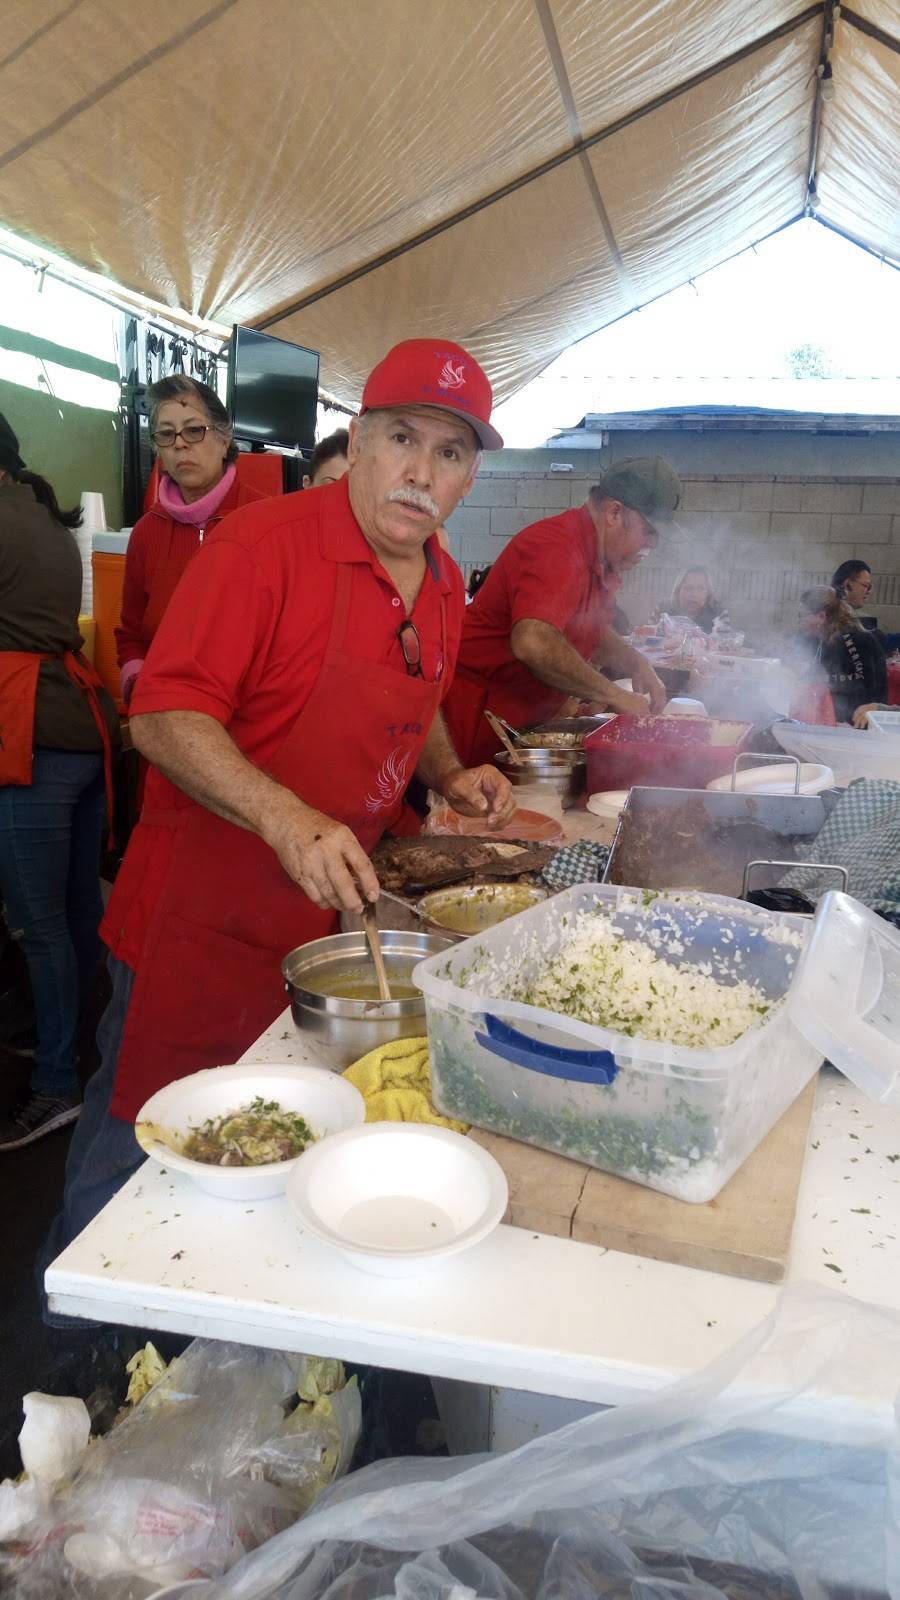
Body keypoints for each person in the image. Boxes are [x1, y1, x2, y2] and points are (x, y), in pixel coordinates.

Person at [43, 337, 515, 1262]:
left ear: (469, 478)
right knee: (139, 1149)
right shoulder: (262, 549)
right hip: (198, 925)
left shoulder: (448, 583)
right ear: (360, 438)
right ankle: (64, 1360)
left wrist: (449, 774)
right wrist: (286, 816)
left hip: (322, 933)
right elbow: (164, 716)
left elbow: (412, 697)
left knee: (268, 1165)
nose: (420, 472)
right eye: (402, 439)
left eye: (450, 453)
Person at [0, 413, 120, 1150]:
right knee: (75, 918)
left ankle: (54, 1086)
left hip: (30, 736)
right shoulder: (38, 514)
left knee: (37, 927)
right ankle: (71, 1049)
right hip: (76, 727)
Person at [442, 458, 682, 767]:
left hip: (515, 721)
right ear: (614, 513)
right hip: (471, 725)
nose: (652, 545)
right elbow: (533, 641)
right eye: (649, 532)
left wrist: (635, 663)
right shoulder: (556, 547)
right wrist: (614, 694)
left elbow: (585, 627)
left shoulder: (596, 557)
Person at [116, 376, 269, 705]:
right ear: (158, 448)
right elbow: (130, 634)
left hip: (249, 717)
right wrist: (142, 686)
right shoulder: (146, 533)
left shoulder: (266, 521)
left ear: (225, 438)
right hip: (167, 712)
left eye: (194, 430)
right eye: (167, 434)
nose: (180, 444)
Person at [792, 585, 887, 724]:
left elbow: (863, 693)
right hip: (835, 719)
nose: (800, 621)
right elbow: (814, 676)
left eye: (803, 616)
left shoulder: (855, 640)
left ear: (821, 616)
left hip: (861, 723)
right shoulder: (821, 638)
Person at [831, 559, 900, 656]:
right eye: (866, 585)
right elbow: (875, 642)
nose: (868, 591)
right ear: (847, 585)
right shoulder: (832, 617)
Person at [658, 566, 728, 634]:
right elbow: (648, 639)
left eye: (701, 589)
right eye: (688, 588)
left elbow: (724, 643)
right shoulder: (662, 611)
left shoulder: (719, 613)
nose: (694, 594)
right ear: (678, 591)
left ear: (708, 593)